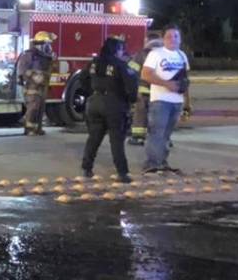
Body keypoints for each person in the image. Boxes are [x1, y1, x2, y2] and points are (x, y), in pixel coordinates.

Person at [81, 37, 137, 181]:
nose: (122, 52)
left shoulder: (93, 63)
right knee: (116, 140)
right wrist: (130, 100)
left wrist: (92, 93)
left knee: (94, 137)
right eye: (121, 49)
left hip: (94, 102)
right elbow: (131, 86)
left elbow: (82, 79)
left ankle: (86, 169)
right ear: (116, 50)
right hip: (114, 103)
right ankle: (122, 173)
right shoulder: (120, 65)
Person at [141, 26, 190, 173]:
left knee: (167, 135)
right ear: (163, 39)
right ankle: (152, 164)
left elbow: (186, 81)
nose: (172, 39)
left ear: (180, 39)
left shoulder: (182, 56)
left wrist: (187, 102)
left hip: (177, 102)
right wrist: (166, 84)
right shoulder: (156, 54)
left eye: (176, 36)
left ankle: (162, 161)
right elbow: (146, 74)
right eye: (169, 36)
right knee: (157, 133)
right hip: (160, 101)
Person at [16, 31, 57, 136]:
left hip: (42, 88)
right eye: (47, 44)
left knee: (40, 108)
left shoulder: (45, 57)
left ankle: (37, 129)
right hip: (32, 88)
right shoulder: (29, 55)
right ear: (40, 45)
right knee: (33, 108)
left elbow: (49, 71)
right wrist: (33, 76)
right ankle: (29, 129)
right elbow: (22, 70)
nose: (49, 47)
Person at [127, 36, 163, 145]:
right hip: (160, 93)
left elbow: (131, 72)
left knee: (140, 115)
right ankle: (162, 139)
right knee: (159, 116)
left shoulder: (141, 54)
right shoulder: (165, 54)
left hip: (143, 92)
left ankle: (138, 138)